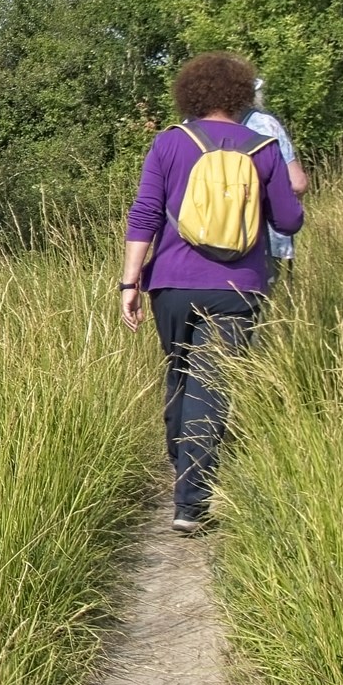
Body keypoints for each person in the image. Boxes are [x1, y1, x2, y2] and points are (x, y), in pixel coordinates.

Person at [120, 51, 304, 534]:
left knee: (180, 371)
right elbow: (289, 220)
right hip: (237, 287)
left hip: (172, 283)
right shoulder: (263, 148)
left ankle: (182, 465)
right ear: (242, 95)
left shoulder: (169, 144)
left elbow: (144, 216)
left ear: (190, 94)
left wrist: (129, 282)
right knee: (211, 386)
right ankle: (192, 502)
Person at [242, 75, 310, 267]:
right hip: (265, 241)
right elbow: (297, 183)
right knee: (263, 297)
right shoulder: (264, 124)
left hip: (203, 240)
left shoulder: (191, 126)